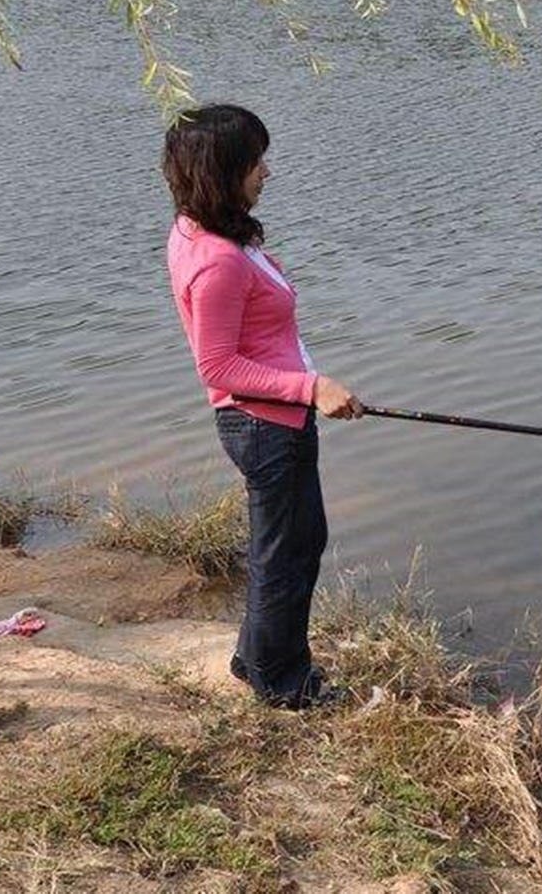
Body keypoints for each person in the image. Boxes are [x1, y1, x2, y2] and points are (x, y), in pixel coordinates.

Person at [161, 104, 361, 709]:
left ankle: (257, 658)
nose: (266, 172)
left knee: (293, 543)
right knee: (287, 553)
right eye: (254, 162)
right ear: (222, 172)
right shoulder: (216, 260)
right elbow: (216, 366)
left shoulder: (204, 232)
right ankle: (285, 684)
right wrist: (312, 388)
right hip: (264, 424)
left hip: (270, 419)